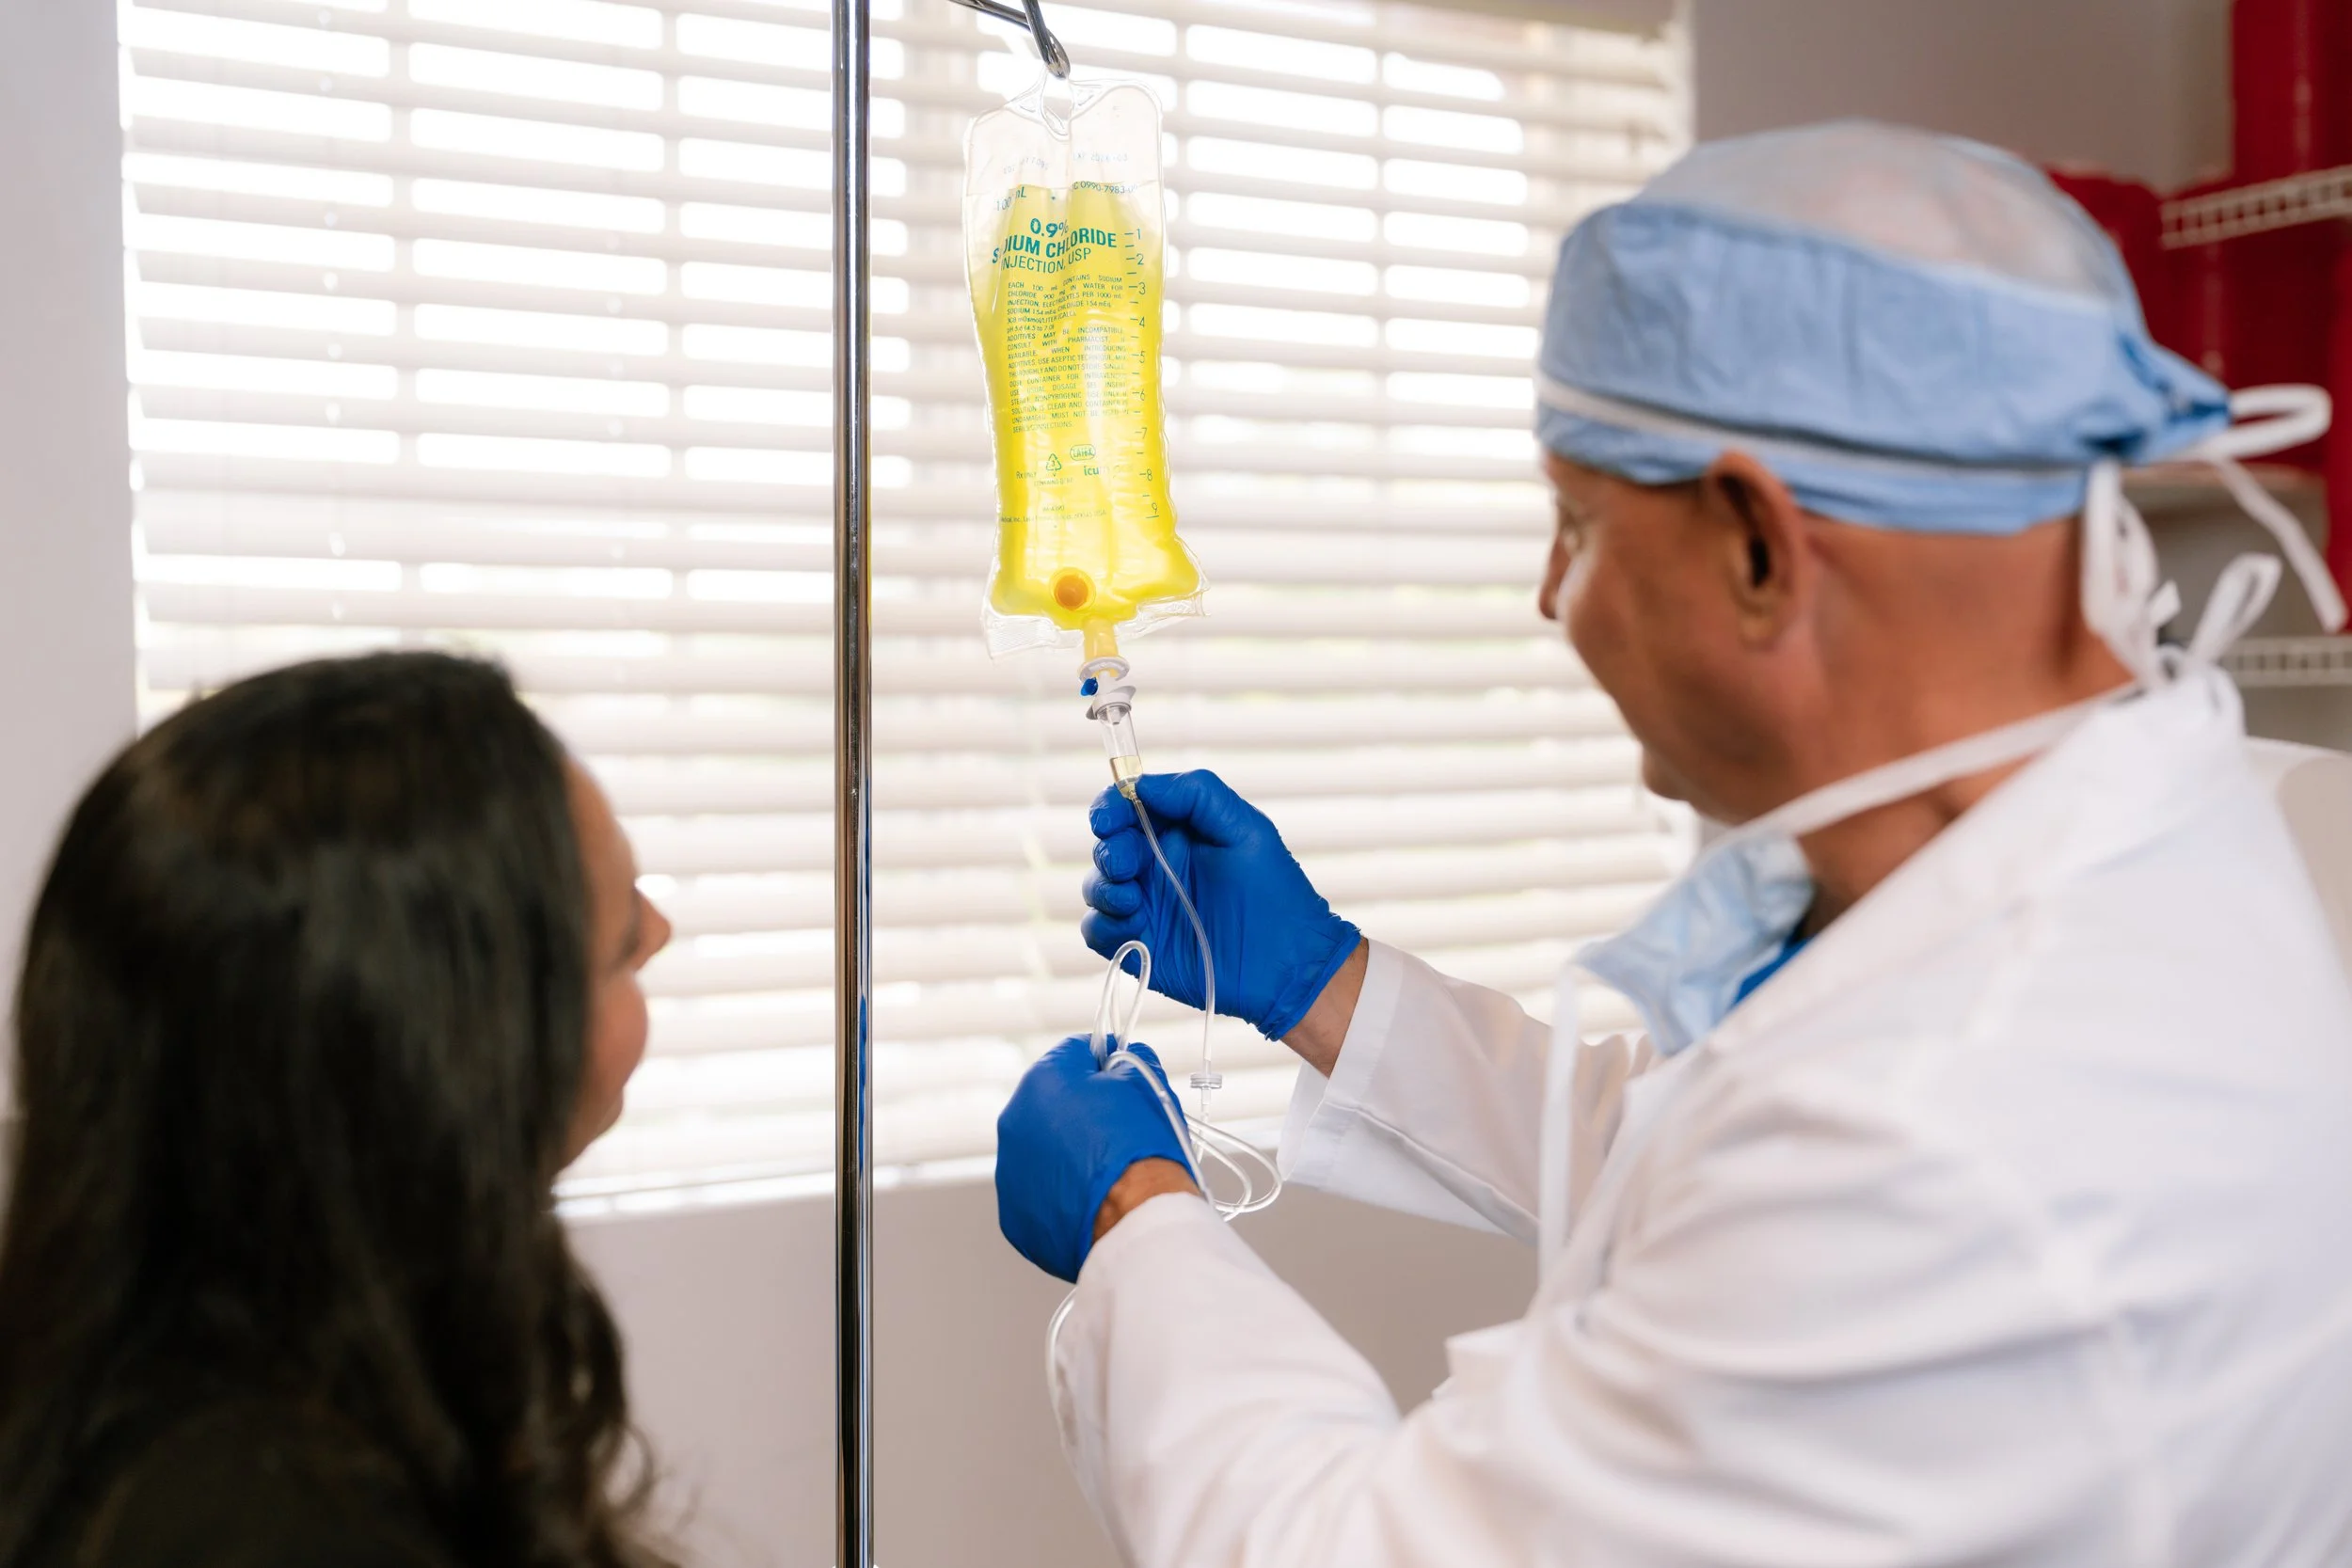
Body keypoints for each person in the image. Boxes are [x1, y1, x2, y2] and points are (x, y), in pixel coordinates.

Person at [992, 121, 2352, 1564]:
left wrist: (1139, 1225)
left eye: (1576, 521)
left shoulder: (1946, 1124)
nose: (1546, 592)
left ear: (1757, 546)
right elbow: (1700, 1153)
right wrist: (1325, 983)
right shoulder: (2177, 830)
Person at [0, 652, 675, 1568]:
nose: (660, 935)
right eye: (621, 942)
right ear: (450, 1045)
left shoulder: (150, 1384)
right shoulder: (273, 1526)